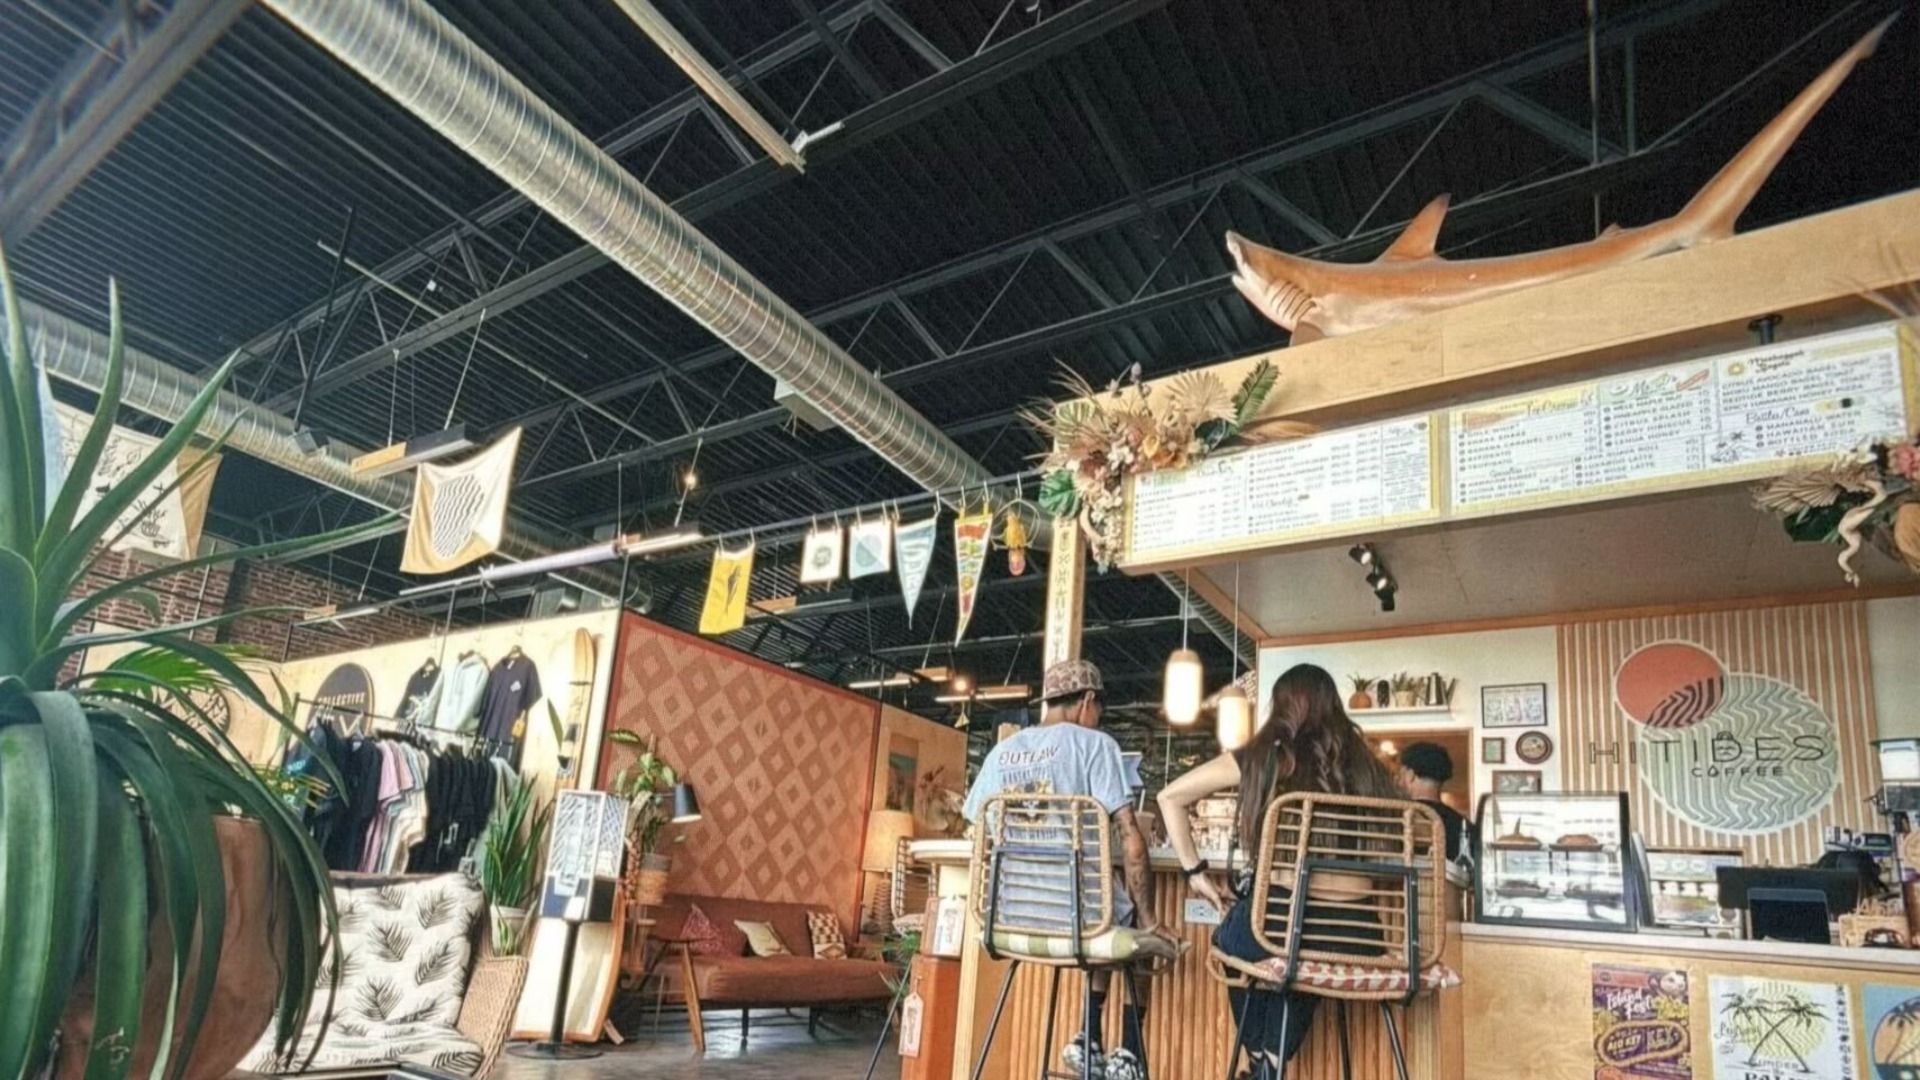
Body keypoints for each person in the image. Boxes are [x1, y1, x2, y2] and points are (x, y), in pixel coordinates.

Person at [1157, 663, 1401, 1075]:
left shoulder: (1264, 755)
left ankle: (1261, 1059)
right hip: (1361, 935)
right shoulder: (1370, 765)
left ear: (1281, 705)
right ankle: (1269, 1062)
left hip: (1280, 924)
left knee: (1235, 943)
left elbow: (1170, 797)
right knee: (1301, 956)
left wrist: (1195, 872)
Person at [963, 659, 1163, 1080]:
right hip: (1079, 922)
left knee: (1106, 906)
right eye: (1100, 708)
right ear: (1088, 701)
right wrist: (1151, 919)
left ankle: (1088, 1039)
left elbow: (977, 827)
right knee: (1136, 928)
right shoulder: (1096, 745)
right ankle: (1128, 1053)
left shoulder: (1002, 752)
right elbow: (1131, 838)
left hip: (1008, 920)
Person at [1395, 742, 1468, 862]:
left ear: (1410, 775)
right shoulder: (1464, 825)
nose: (1398, 781)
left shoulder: (1403, 819)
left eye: (1400, 774)